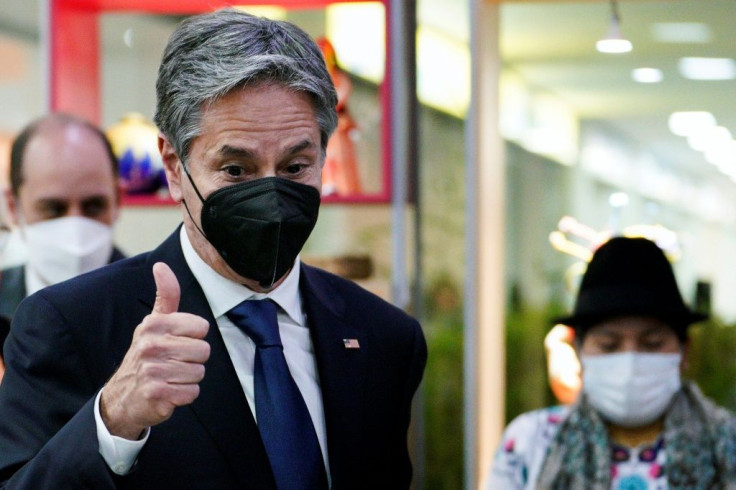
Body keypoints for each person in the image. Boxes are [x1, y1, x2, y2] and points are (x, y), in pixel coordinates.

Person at [0, 8, 427, 489]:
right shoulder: (71, 326)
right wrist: (113, 419)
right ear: (174, 167)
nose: (270, 197)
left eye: (294, 167)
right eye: (236, 170)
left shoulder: (385, 339)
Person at [487, 237, 736, 489]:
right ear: (579, 351)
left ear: (684, 352)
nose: (630, 360)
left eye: (651, 343)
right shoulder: (529, 442)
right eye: (609, 345)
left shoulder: (728, 443)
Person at [0, 113, 126, 326]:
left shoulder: (161, 301)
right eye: (53, 209)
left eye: (93, 206)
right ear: (13, 207)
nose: (75, 232)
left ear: (117, 200)